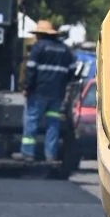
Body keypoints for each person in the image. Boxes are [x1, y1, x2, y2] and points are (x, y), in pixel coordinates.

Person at [18, 19, 76, 165]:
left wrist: (27, 88)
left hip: (38, 92)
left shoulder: (38, 48)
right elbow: (72, 72)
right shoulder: (65, 50)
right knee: (53, 125)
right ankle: (50, 155)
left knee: (31, 121)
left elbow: (31, 70)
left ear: (41, 35)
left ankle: (27, 153)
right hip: (57, 95)